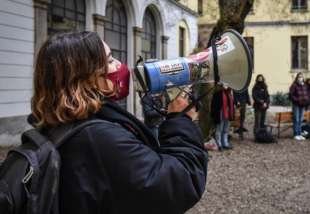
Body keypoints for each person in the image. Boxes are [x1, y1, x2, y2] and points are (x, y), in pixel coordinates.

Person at [30, 31, 208, 214]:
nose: (120, 66)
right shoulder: (98, 138)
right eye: (109, 61)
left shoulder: (58, 125)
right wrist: (181, 119)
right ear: (83, 78)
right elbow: (176, 185)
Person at [211, 84, 234, 151]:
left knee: (225, 129)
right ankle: (219, 144)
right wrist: (214, 114)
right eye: (225, 85)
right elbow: (214, 105)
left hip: (228, 114)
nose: (226, 86)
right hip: (220, 114)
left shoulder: (230, 93)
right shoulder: (217, 94)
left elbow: (232, 105)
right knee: (219, 129)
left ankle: (225, 143)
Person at [289, 72, 309, 140]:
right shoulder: (294, 85)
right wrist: (297, 100)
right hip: (296, 105)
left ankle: (300, 134)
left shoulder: (304, 85)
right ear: (297, 78)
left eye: (301, 77)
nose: (300, 78)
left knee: (300, 120)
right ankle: (296, 134)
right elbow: (291, 95)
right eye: (299, 77)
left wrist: (306, 100)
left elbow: (307, 94)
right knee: (296, 119)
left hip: (303, 105)